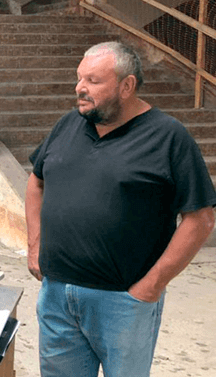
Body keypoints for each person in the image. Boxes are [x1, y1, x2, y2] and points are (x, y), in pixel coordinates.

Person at [26, 41, 216, 377]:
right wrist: (34, 246)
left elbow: (200, 218)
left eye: (93, 81)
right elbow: (36, 181)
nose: (80, 88)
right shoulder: (68, 125)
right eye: (79, 78)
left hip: (122, 302)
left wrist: (151, 286)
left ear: (126, 86)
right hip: (56, 294)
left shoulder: (168, 137)